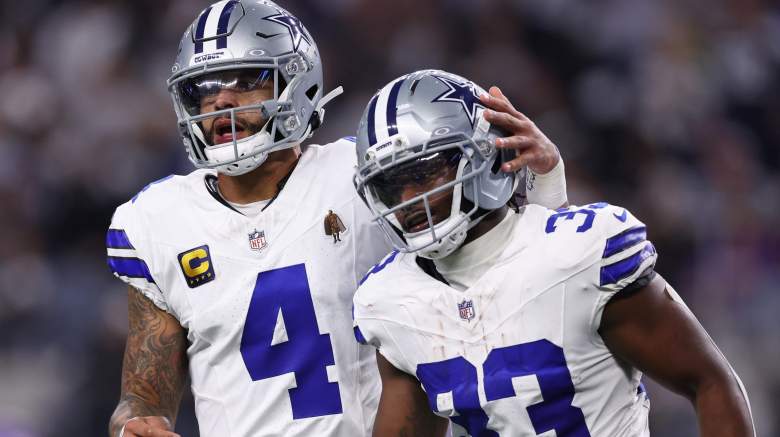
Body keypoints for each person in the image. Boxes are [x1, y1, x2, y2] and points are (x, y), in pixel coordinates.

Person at [106, 2, 569, 437]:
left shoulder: (366, 176)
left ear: (296, 82)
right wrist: (134, 424)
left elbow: (510, 270)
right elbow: (144, 395)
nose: (220, 102)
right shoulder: (159, 220)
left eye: (245, 80)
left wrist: (546, 181)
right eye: (204, 88)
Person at [352, 70, 756, 437]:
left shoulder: (579, 254)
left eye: (424, 173)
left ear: (484, 152)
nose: (407, 200)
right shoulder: (391, 301)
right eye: (390, 185)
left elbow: (711, 383)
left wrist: (549, 186)